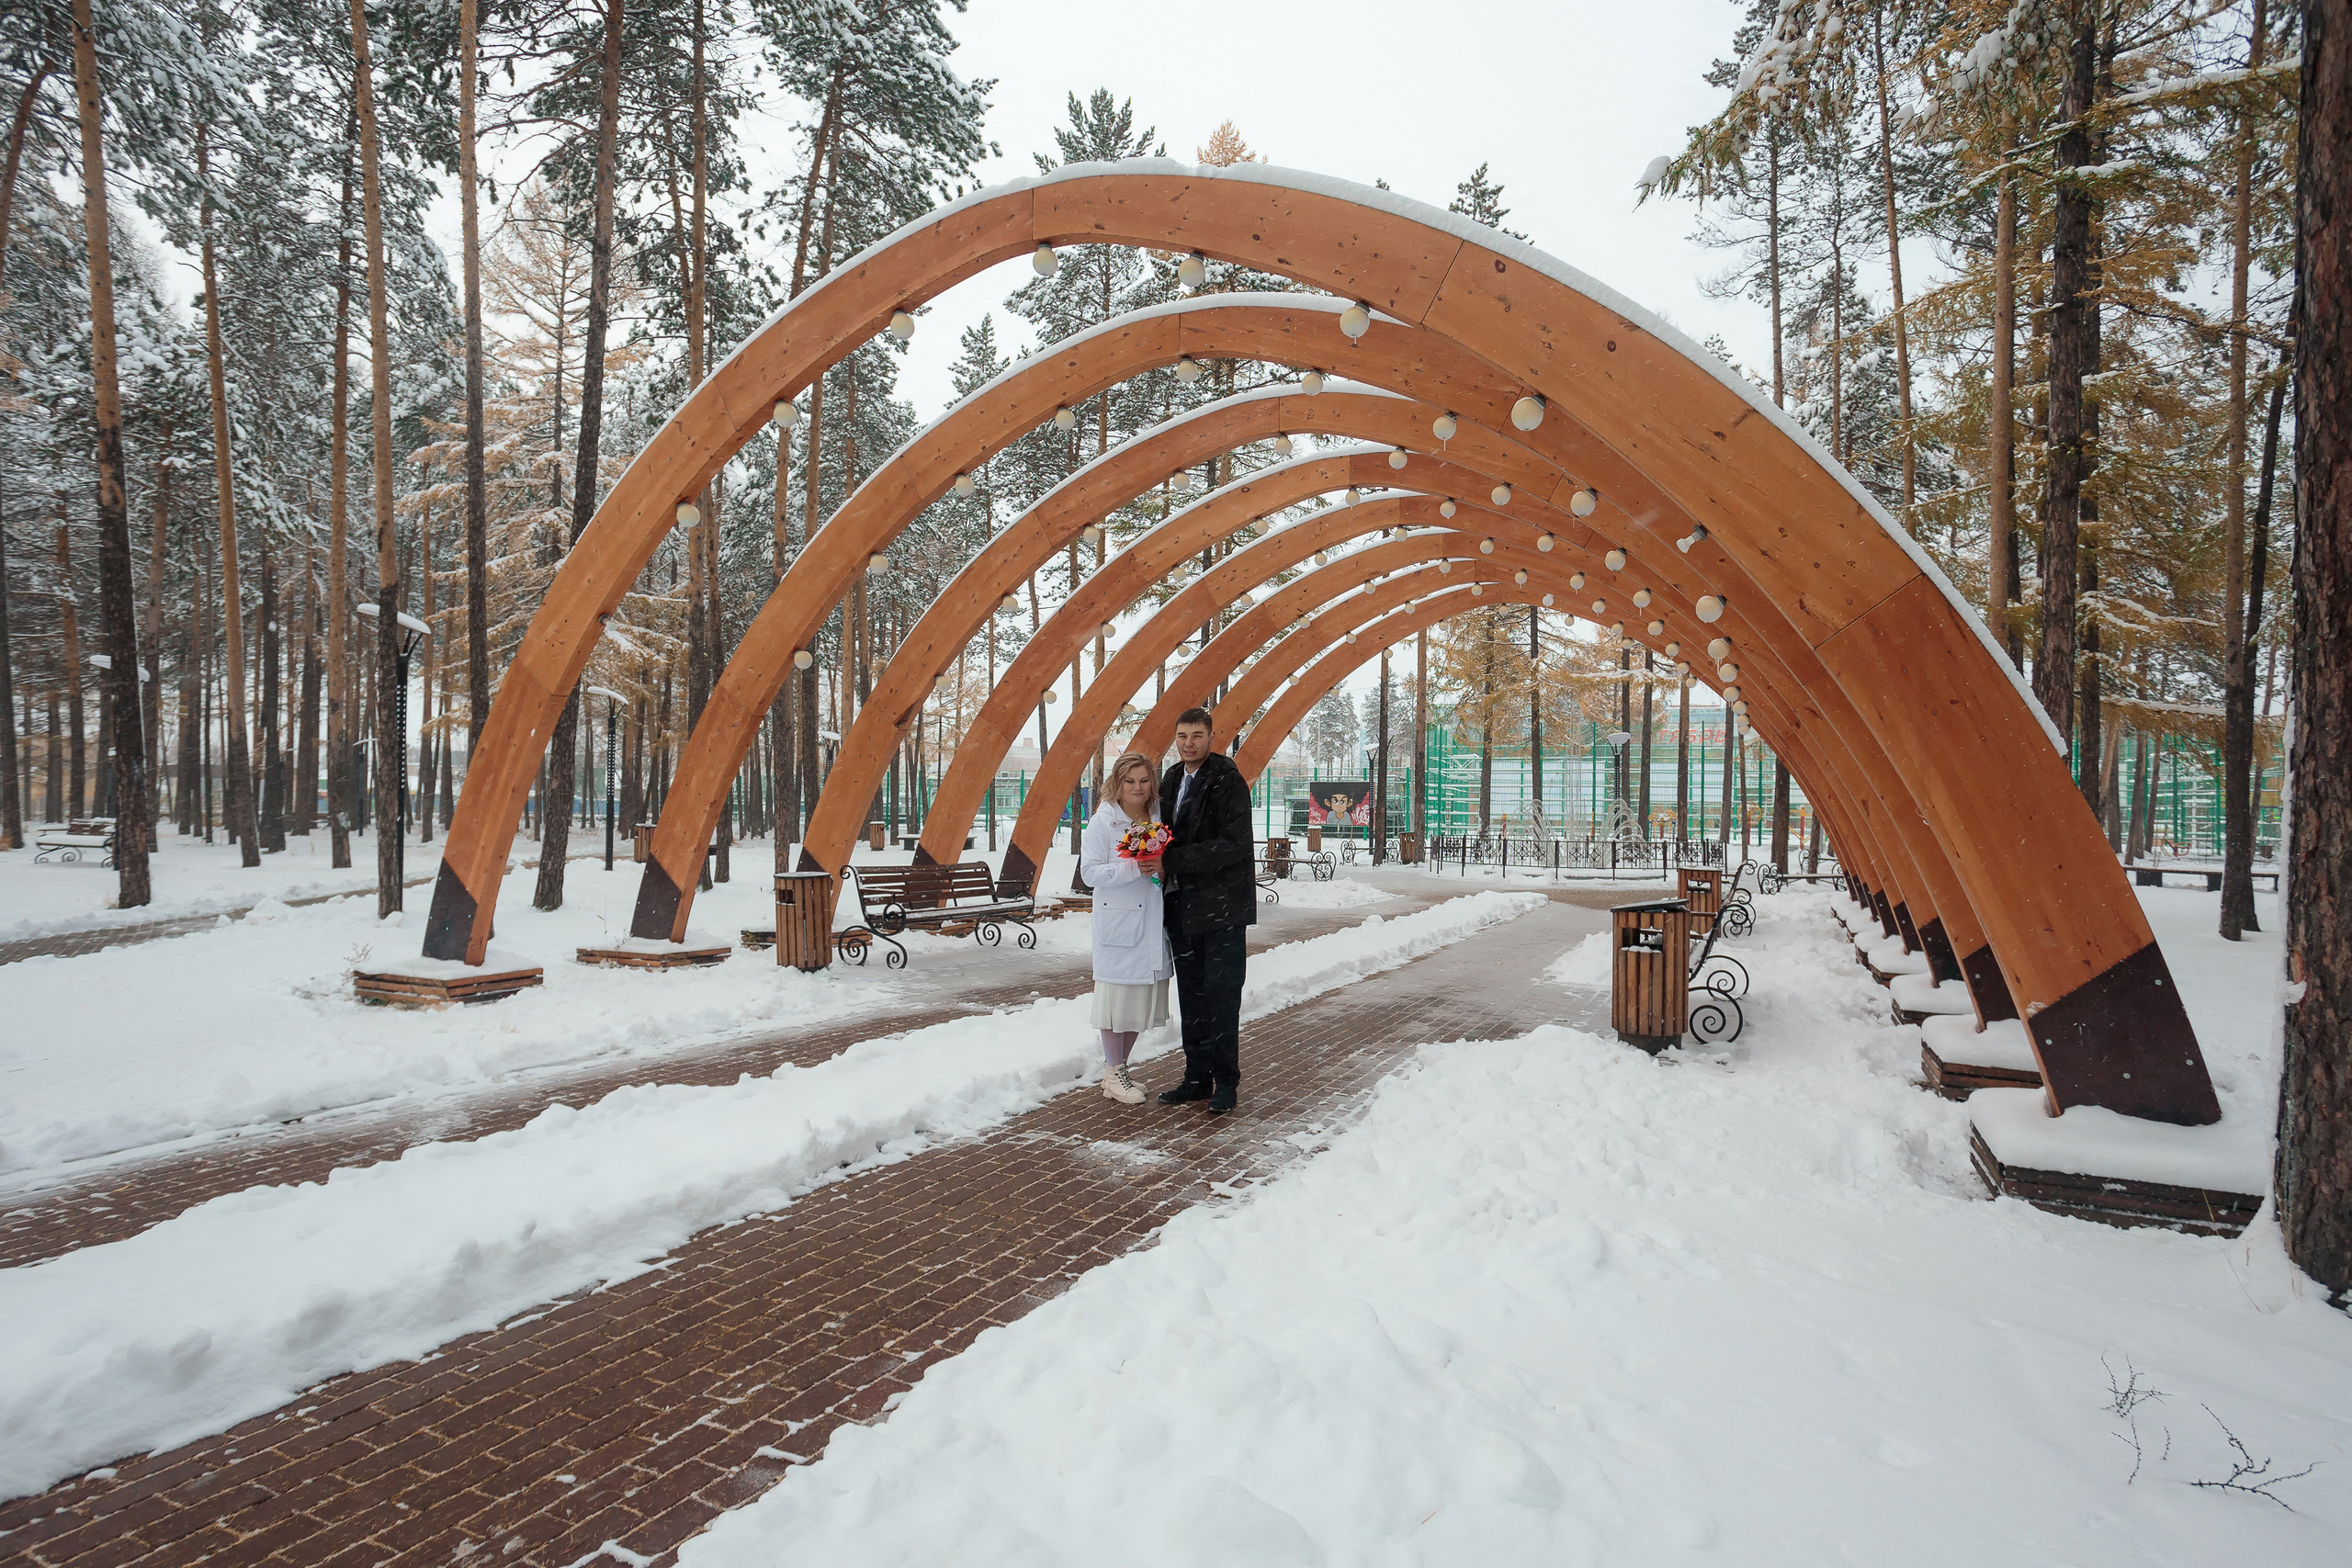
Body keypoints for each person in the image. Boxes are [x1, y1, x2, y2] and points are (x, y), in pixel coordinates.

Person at [1157, 707, 1255, 1113]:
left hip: (1222, 910)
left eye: (1196, 736)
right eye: (1182, 736)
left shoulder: (1227, 781)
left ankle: (1225, 1081)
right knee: (1191, 997)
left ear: (1211, 737)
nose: (1188, 744)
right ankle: (1196, 1077)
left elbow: (1234, 845)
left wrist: (1173, 860)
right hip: (1183, 908)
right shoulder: (1171, 779)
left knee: (1221, 996)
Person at [1080, 751, 1171, 1105]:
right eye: (1129, 781)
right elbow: (1090, 874)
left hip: (1150, 917)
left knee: (1138, 1001)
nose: (1137, 788)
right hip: (1119, 921)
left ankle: (1117, 1071)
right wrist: (1134, 868)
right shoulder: (1103, 822)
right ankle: (1114, 1069)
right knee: (1116, 1001)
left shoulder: (1157, 816)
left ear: (1153, 783)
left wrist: (1162, 870)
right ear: (1117, 783)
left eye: (1144, 780)